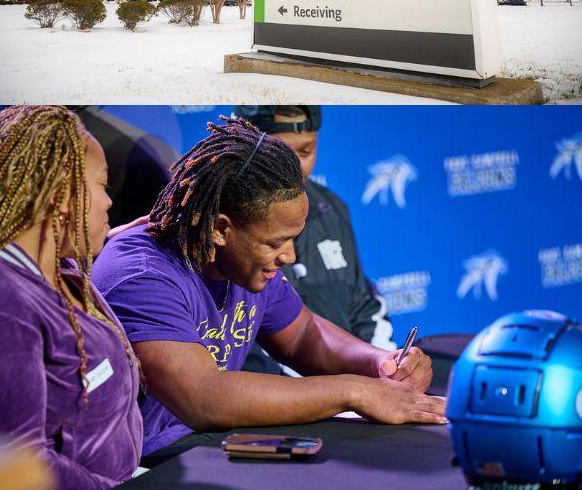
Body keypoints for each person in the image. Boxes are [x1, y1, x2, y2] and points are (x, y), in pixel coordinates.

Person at [91, 116, 444, 464]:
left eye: (292, 240)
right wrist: (355, 391)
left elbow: (302, 336)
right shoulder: (140, 273)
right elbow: (204, 398)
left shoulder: (243, 264)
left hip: (213, 444)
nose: (289, 256)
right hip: (145, 464)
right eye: (276, 242)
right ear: (220, 230)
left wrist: (380, 364)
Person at [0, 106, 143, 490]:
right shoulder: (1, 301)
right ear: (62, 193)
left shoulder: (63, 271)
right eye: (102, 185)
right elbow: (17, 464)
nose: (109, 202)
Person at [233, 106, 395, 376]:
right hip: (278, 394)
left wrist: (383, 367)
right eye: (281, 155)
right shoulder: (229, 223)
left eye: (305, 152)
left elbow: (364, 306)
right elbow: (241, 338)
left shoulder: (333, 209)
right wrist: (336, 391)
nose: (294, 168)